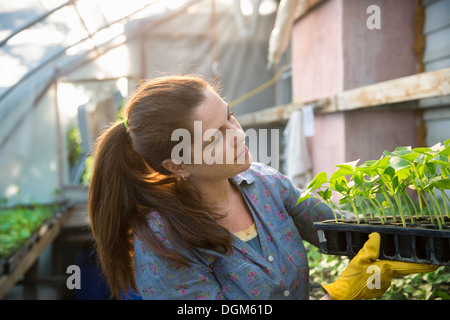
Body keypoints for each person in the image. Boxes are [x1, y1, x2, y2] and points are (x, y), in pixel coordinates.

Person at [88, 75, 437, 300]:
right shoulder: (163, 242)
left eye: (230, 116)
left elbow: (339, 228)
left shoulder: (266, 184)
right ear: (178, 164)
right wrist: (340, 296)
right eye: (217, 136)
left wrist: (414, 244)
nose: (239, 134)